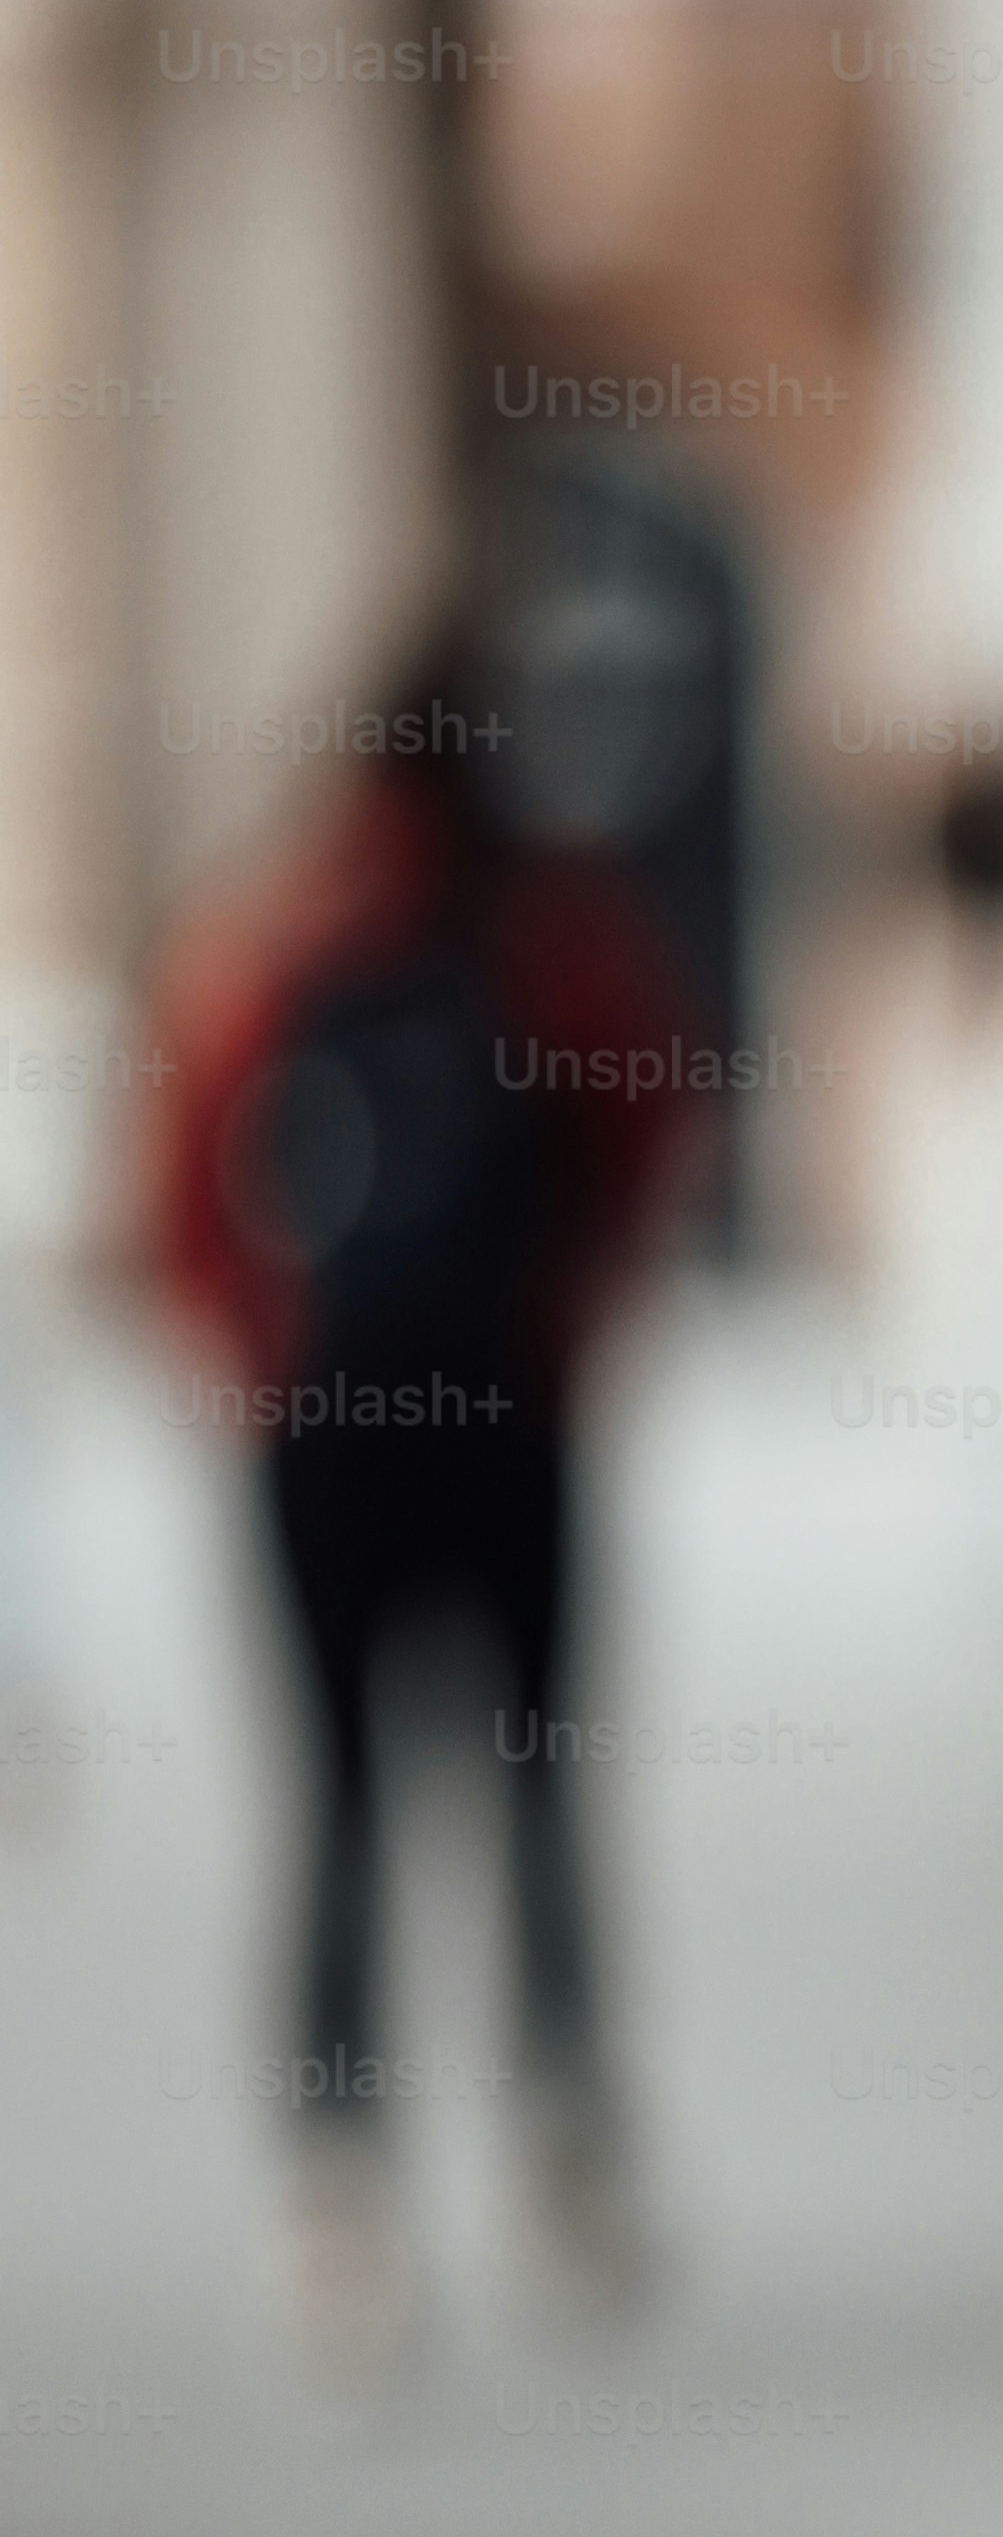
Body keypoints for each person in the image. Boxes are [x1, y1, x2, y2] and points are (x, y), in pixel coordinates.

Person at [144, 642, 703, 2376]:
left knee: (339, 1807)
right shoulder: (552, 940)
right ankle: (564, 2163)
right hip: (506, 1427)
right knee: (534, 1793)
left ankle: (340, 2206)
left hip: (326, 1438)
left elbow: (177, 1199)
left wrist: (272, 1354)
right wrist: (560, 1327)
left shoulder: (271, 940)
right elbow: (650, 1141)